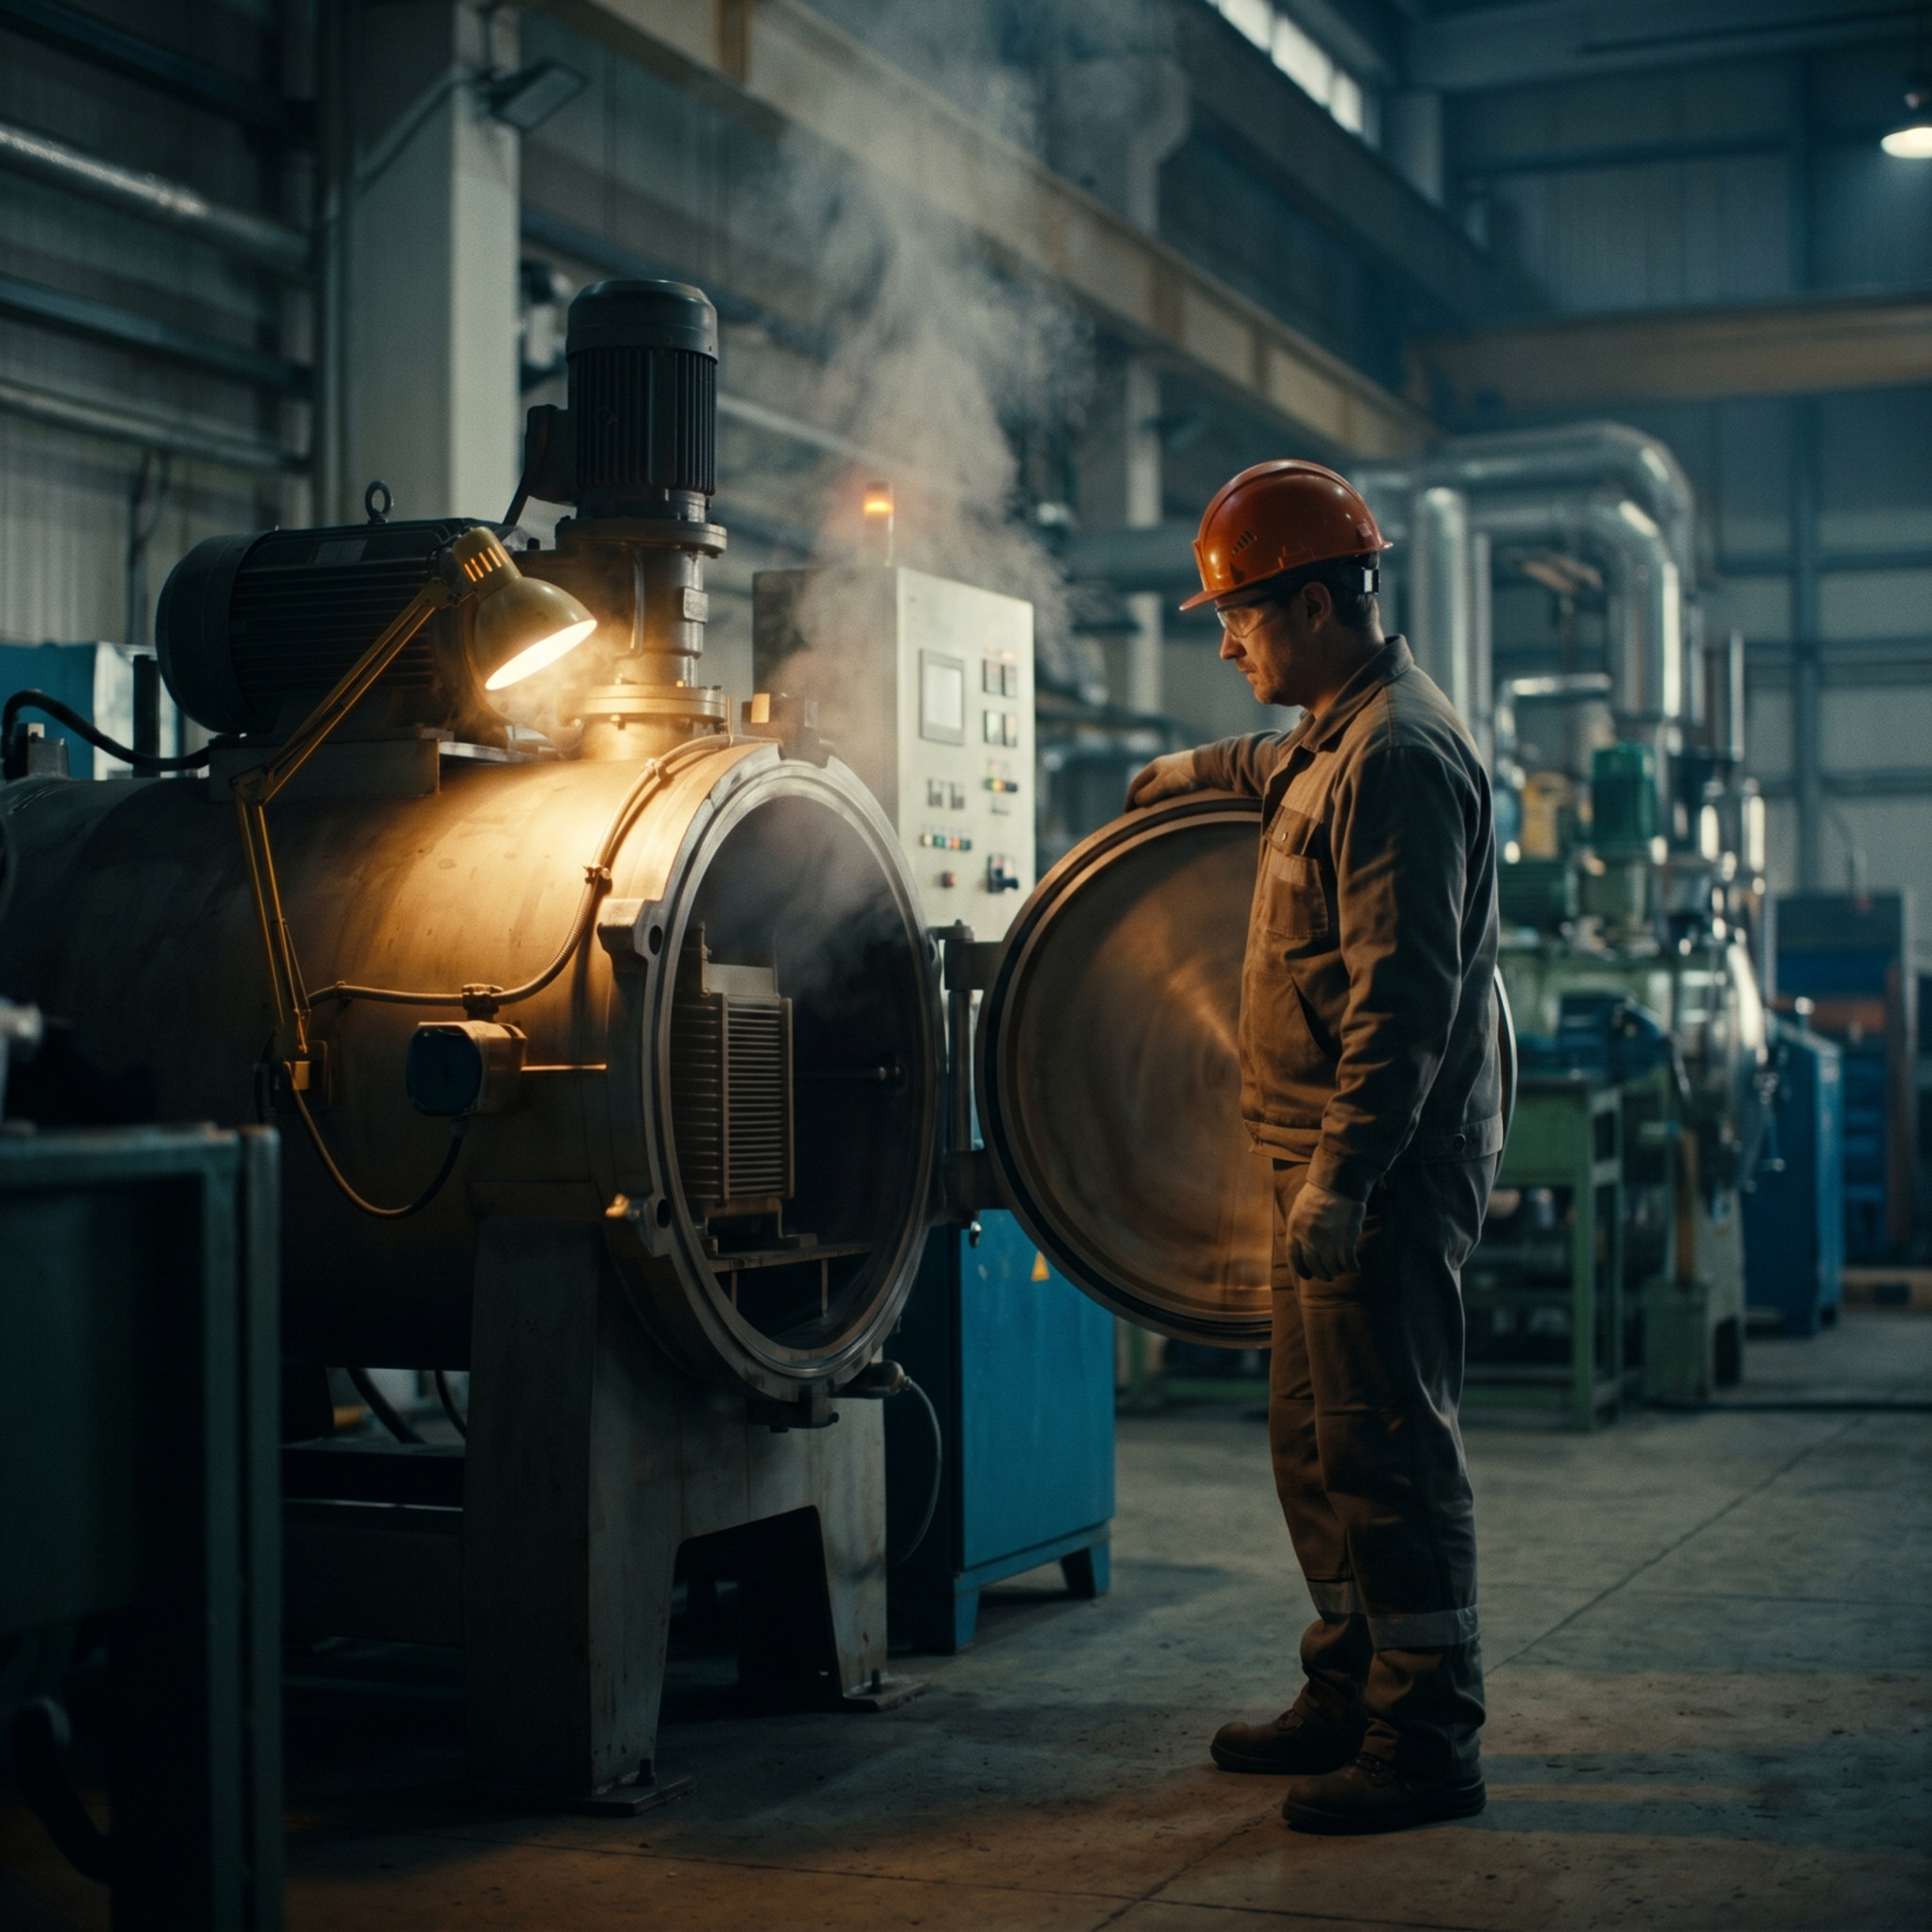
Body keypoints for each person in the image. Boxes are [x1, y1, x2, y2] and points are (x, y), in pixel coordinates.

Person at [1127, 458, 1501, 1836]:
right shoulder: (1334, 735)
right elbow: (1267, 766)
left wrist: (1345, 1178)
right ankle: (1349, 1686)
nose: (1227, 644)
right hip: (1321, 1167)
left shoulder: (1397, 756)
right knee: (1319, 1447)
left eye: (1239, 616)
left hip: (1378, 1172)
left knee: (1388, 1450)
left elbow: (1405, 1005)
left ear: (1318, 605)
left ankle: (1426, 1737)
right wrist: (1186, 772)